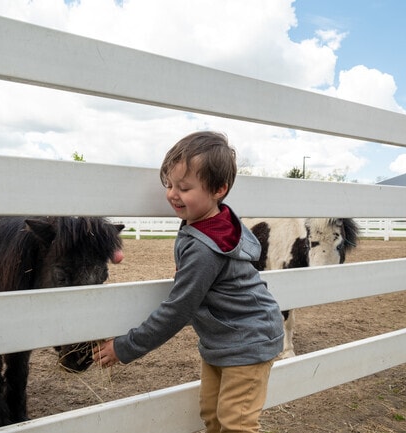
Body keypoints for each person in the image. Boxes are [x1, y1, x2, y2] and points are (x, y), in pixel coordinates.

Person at [92, 131, 284, 433]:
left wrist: (125, 347)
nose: (172, 194)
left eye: (184, 187)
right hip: (223, 340)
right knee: (212, 413)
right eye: (169, 184)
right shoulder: (214, 222)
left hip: (249, 340)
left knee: (237, 422)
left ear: (219, 189)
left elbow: (176, 311)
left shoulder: (205, 247)